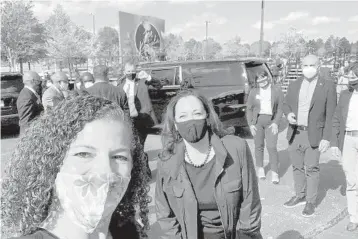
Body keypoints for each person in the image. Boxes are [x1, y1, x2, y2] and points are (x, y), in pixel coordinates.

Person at [1, 93, 151, 239]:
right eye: (84, 154)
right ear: (50, 162)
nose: (106, 170)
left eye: (119, 157)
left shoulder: (130, 232)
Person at [154, 89, 263, 239]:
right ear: (175, 124)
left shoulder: (236, 148)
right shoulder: (167, 161)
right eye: (183, 116)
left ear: (207, 116)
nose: (190, 121)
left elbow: (250, 204)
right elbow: (164, 213)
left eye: (197, 114)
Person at [282, 54, 337, 217]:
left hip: (314, 134)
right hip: (295, 132)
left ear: (318, 66)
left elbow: (331, 114)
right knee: (297, 167)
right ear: (301, 66)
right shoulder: (294, 84)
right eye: (305, 65)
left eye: (312, 65)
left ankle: (310, 202)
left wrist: (327, 137)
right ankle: (300, 195)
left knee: (311, 168)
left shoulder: (327, 86)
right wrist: (288, 114)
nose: (308, 68)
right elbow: (286, 104)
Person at [331, 63, 358, 232]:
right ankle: (354, 217)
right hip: (348, 139)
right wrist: (334, 142)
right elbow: (336, 119)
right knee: (352, 180)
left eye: (354, 76)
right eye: (350, 77)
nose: (351, 80)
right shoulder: (345, 95)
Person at [246, 71, 284, 184]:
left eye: (263, 80)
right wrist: (251, 124)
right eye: (259, 81)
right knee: (259, 146)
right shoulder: (254, 92)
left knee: (272, 147)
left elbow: (280, 108)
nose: (261, 82)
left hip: (271, 122)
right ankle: (260, 168)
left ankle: (275, 172)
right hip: (258, 122)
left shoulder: (277, 90)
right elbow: (249, 108)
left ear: (268, 78)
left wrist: (276, 122)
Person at [118, 62, 157, 146]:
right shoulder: (120, 85)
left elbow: (159, 85)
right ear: (124, 72)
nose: (131, 73)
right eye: (128, 71)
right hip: (127, 118)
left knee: (141, 143)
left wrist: (148, 77)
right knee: (129, 143)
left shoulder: (142, 82)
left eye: (133, 71)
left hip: (141, 117)